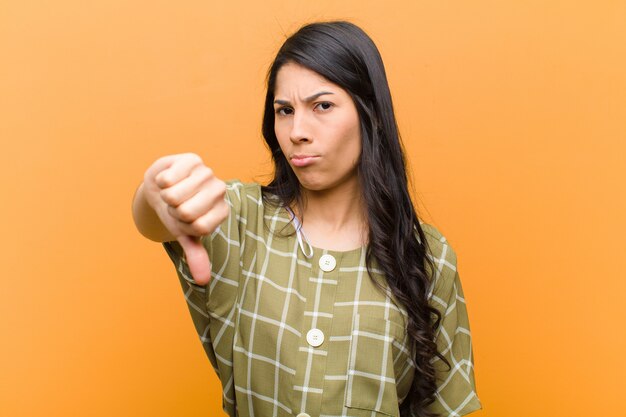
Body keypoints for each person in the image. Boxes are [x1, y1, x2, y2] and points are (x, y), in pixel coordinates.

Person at [132, 20, 481, 417]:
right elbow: (156, 220)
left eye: (323, 106)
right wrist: (154, 195)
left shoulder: (427, 257)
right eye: (284, 111)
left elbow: (444, 407)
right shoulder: (239, 220)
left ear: (372, 115)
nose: (297, 131)